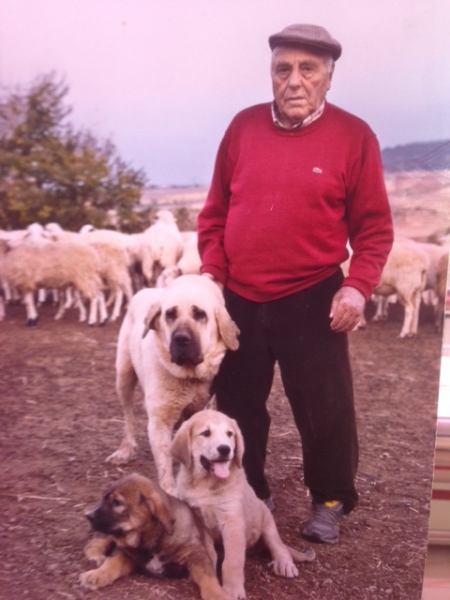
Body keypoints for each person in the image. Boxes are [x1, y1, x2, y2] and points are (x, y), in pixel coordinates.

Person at [197, 23, 394, 544]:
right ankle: (248, 491)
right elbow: (215, 214)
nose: (294, 80)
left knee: (324, 405)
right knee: (236, 406)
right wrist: (212, 278)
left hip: (312, 295)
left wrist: (357, 286)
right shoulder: (241, 128)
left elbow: (374, 228)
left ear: (329, 77)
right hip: (237, 296)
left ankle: (329, 499)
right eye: (283, 69)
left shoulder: (355, 137)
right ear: (271, 74)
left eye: (308, 69)